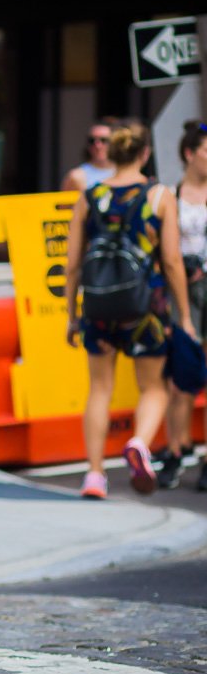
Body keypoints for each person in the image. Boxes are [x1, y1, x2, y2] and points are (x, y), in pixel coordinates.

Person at [65, 121, 193, 499]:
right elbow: (171, 260)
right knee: (153, 387)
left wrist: (72, 314)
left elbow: (73, 264)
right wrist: (183, 315)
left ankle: (93, 475)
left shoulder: (91, 195)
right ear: (144, 153)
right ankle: (139, 442)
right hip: (145, 308)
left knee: (100, 388)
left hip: (99, 306)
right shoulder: (159, 195)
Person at [158, 122, 207, 490]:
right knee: (181, 378)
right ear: (190, 154)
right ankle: (176, 451)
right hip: (180, 292)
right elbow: (158, 248)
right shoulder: (170, 195)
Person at [61, 119, 118, 193]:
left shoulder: (126, 173)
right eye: (92, 140)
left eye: (104, 140)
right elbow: (64, 204)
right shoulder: (76, 176)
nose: (98, 145)